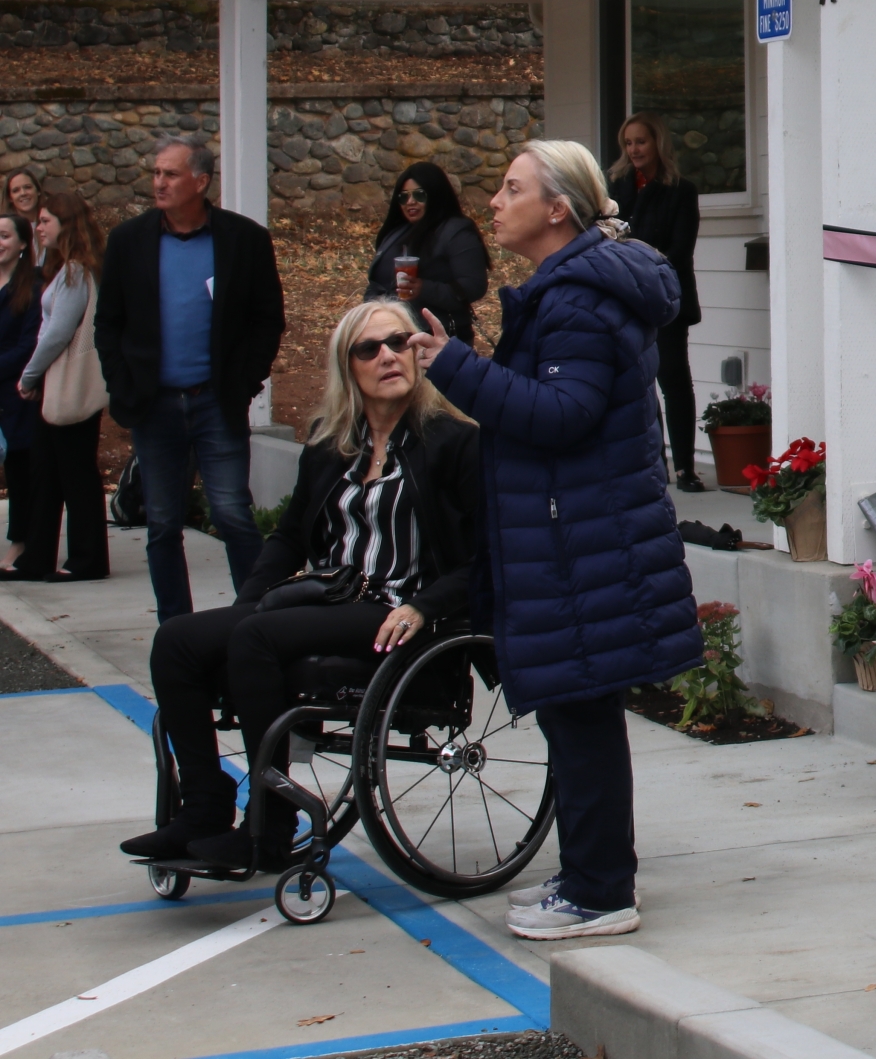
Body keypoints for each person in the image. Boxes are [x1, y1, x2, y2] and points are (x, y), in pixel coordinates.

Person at [418, 139, 699, 940]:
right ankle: (589, 877)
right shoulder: (570, 288)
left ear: (557, 209)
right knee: (576, 716)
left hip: (583, 541)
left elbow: (563, 415)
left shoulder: (576, 300)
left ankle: (602, 891)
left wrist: (456, 368)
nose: (494, 203)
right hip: (575, 536)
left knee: (580, 718)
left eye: (511, 189)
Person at [121, 299, 480, 870]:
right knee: (180, 640)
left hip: (395, 610)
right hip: (329, 595)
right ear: (349, 367)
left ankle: (269, 824)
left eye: (401, 343)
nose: (389, 355)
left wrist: (424, 605)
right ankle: (205, 804)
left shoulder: (455, 441)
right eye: (370, 348)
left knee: (255, 639)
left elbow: (485, 556)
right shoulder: (332, 443)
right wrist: (249, 603)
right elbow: (288, 538)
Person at [95, 134, 286, 621]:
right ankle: (177, 630)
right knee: (161, 524)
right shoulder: (129, 241)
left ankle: (254, 622)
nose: (159, 182)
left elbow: (267, 319)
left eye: (171, 174)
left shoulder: (243, 241)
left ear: (200, 182)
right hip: (154, 405)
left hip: (215, 402)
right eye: (156, 172)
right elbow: (109, 323)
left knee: (233, 516)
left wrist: (245, 381)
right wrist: (122, 384)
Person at [13, 193, 110, 581]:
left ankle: (86, 560)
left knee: (74, 473)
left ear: (65, 224)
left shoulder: (75, 272)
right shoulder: (69, 268)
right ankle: (36, 557)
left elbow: (56, 335)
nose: (37, 227)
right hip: (57, 384)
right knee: (48, 472)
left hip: (68, 386)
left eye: (44, 221)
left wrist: (28, 376)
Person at [609, 114, 704, 493]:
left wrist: (642, 265)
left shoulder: (681, 190)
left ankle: (685, 468)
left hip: (665, 297)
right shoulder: (616, 188)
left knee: (674, 380)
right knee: (640, 383)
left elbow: (681, 249)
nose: (633, 150)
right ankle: (652, 463)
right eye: (628, 143)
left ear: (657, 144)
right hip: (625, 299)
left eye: (641, 142)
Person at [362, 162, 490, 346]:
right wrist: (369, 309)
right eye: (403, 197)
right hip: (392, 335)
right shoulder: (395, 232)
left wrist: (425, 288)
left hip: (438, 337)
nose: (410, 202)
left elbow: (474, 285)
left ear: (436, 195)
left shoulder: (456, 231)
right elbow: (377, 282)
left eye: (419, 195)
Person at [0, 212, 40, 574]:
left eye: (4, 236)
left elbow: (29, 343)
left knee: (19, 474)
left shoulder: (31, 286)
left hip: (14, 395)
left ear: (24, 243)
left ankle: (20, 543)